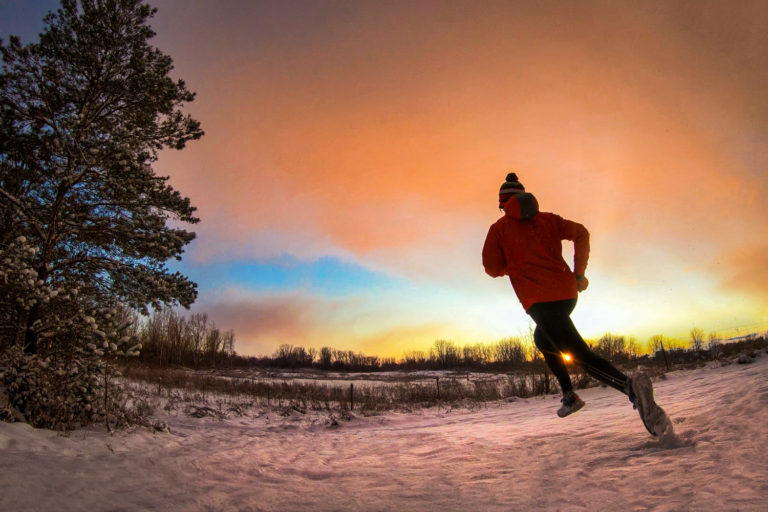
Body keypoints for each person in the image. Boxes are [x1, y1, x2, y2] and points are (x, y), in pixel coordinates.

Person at [482, 172, 671, 436]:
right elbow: (581, 233)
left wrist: (513, 265)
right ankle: (570, 395)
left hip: (539, 301)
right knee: (544, 340)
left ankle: (630, 388)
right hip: (567, 294)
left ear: (503, 203)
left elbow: (491, 267)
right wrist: (578, 273)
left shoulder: (499, 230)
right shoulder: (548, 220)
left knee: (580, 354)